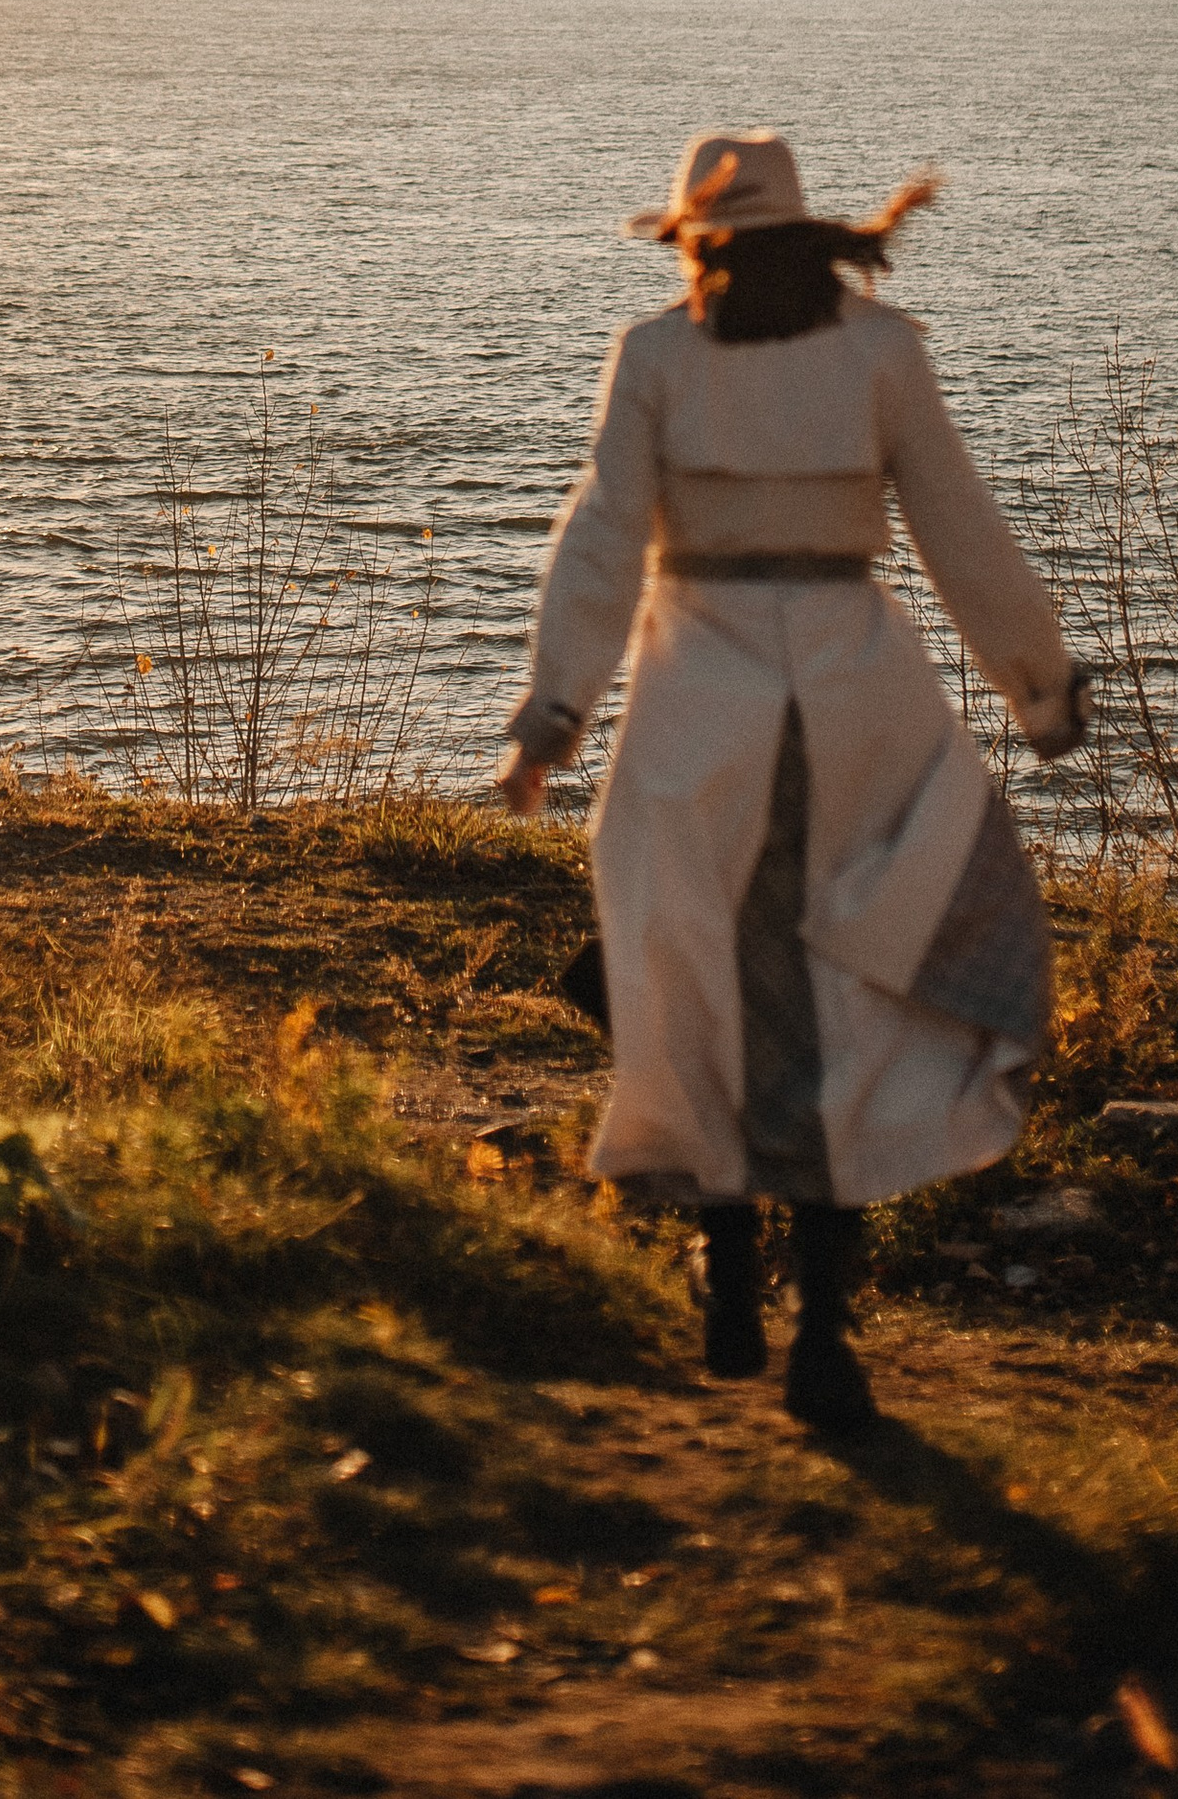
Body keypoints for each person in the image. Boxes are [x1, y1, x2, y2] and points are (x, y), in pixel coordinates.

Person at [497, 130, 1089, 1433]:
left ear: (700, 246)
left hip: (692, 708)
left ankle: (724, 1271)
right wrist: (1036, 684)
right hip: (860, 703)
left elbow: (601, 540)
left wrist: (552, 715)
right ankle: (824, 1335)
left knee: (689, 973)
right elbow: (959, 530)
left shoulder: (656, 357)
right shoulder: (882, 352)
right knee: (847, 1008)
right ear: (808, 239)